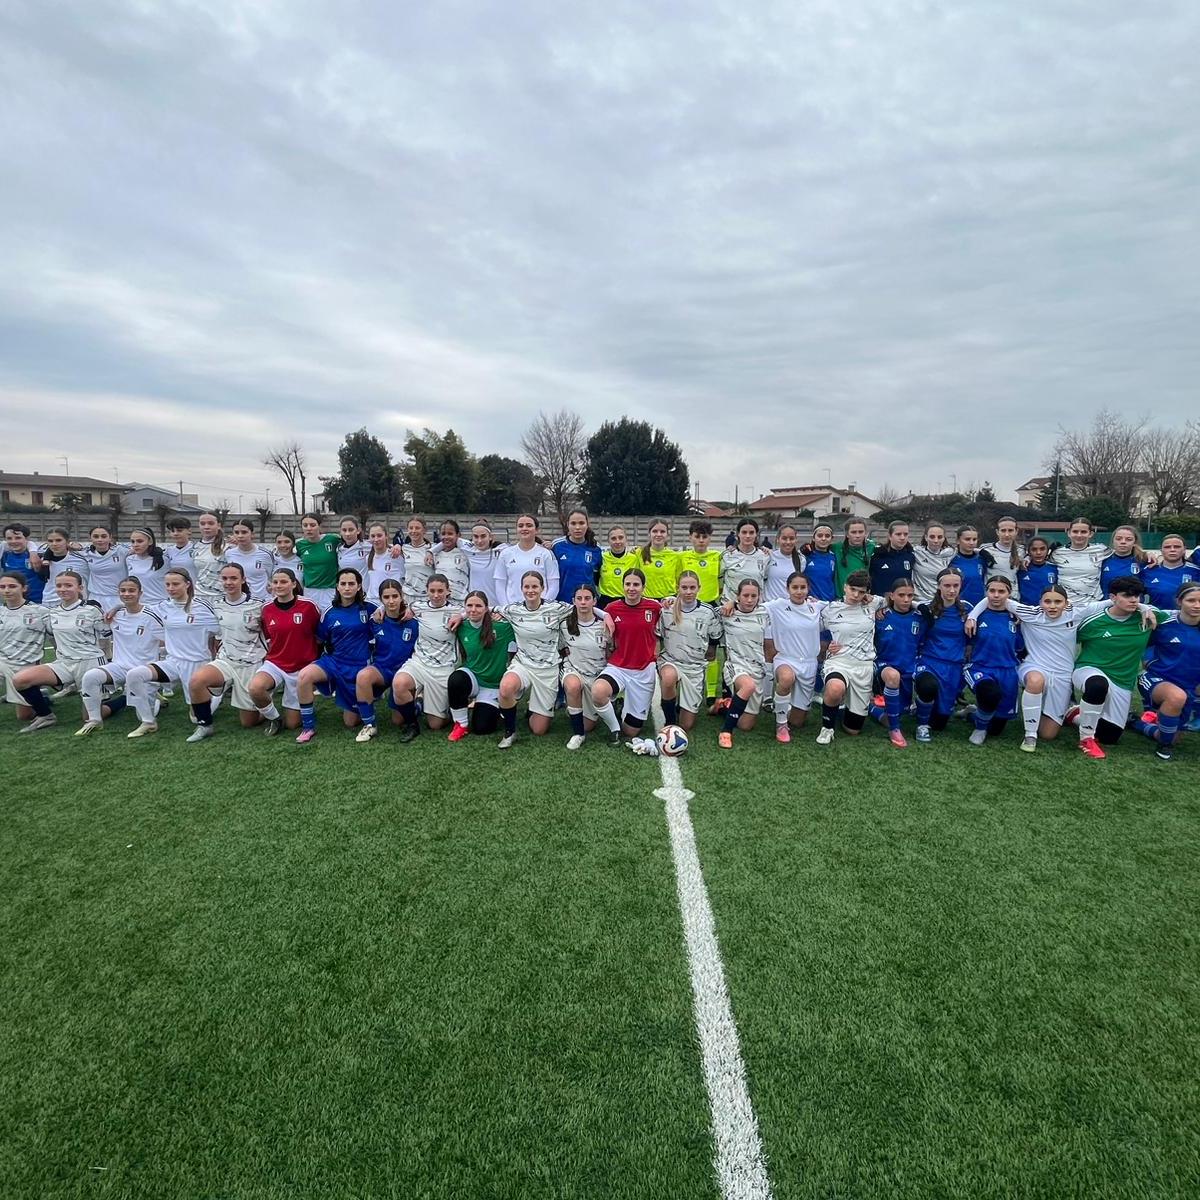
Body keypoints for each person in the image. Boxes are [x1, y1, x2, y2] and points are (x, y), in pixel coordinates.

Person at [965, 584, 1121, 752]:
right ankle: (1030, 735)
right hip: (1034, 666)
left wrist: (1140, 607)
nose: (1052, 606)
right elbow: (994, 598)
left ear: (1066, 603)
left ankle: (1067, 713)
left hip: (1062, 676)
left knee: (1048, 734)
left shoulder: (1076, 613)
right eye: (1047, 601)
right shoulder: (1030, 613)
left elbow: (1112, 601)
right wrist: (972, 616)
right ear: (1040, 602)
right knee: (1035, 681)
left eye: (1057, 602)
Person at [1066, 576, 1167, 759]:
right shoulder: (1094, 621)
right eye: (1127, 596)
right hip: (1090, 670)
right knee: (1098, 685)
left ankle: (1074, 713)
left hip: (1122, 680)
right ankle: (1086, 739)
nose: (1133, 600)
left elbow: (1179, 616)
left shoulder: (1147, 616)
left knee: (1109, 736)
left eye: (1137, 596)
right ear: (1112, 597)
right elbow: (1065, 639)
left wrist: (1146, 608)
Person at [123, 569, 220, 738]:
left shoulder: (202, 606)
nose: (170, 588)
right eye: (167, 584)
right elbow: (137, 609)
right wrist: (116, 608)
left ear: (187, 584)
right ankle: (148, 722)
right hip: (172, 662)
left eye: (175, 584)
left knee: (195, 718)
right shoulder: (162, 607)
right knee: (134, 675)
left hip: (196, 664)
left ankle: (216, 694)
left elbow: (220, 629)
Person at [12, 571, 106, 732]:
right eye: (59, 585)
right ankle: (46, 716)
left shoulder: (92, 610)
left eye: (68, 585)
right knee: (20, 679)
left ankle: (123, 700)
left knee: (89, 717)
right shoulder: (52, 612)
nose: (63, 589)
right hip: (63, 663)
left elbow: (106, 638)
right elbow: (48, 636)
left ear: (80, 588)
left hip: (89, 663)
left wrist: (107, 666)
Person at [185, 563, 268, 742]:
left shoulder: (258, 605)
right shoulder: (216, 605)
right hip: (226, 660)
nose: (228, 582)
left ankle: (264, 704)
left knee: (248, 722)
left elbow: (271, 634)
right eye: (224, 578)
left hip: (250, 664)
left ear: (243, 580)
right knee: (196, 681)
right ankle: (205, 725)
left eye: (233, 578)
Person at [294, 568, 378, 743]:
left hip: (358, 667)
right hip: (333, 662)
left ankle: (365, 698)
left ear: (359, 586)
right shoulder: (329, 612)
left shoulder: (370, 609)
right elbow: (320, 639)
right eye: (343, 584)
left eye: (351, 584)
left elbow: (390, 617)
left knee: (350, 722)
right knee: (304, 676)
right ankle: (308, 727)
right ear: (337, 587)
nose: (347, 588)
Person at [76, 576, 162, 735]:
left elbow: (168, 640)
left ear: (140, 593)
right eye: (123, 590)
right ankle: (95, 720)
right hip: (120, 667)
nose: (127, 593)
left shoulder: (151, 615)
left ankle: (155, 700)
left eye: (131, 590)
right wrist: (117, 607)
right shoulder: (116, 615)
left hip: (144, 671)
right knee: (90, 676)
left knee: (142, 715)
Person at [496, 571, 573, 745]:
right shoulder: (513, 609)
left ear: (542, 588)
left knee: (539, 729)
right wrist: (461, 616)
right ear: (521, 588)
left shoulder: (556, 608)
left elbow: (582, 607)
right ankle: (510, 732)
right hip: (523, 664)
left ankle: (533, 710)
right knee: (506, 687)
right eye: (527, 587)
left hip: (547, 669)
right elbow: (488, 608)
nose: (530, 590)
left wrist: (606, 616)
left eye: (535, 586)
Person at [815, 570, 887, 745]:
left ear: (867, 592)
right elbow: (809, 628)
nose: (856, 595)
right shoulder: (830, 609)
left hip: (863, 666)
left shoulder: (873, 604)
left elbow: (893, 599)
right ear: (845, 587)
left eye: (861, 592)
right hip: (839, 661)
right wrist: (825, 646)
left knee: (852, 730)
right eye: (852, 589)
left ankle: (857, 707)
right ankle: (827, 728)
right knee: (835, 688)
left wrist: (880, 604)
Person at [591, 567, 660, 744]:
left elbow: (673, 607)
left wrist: (670, 600)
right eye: (628, 584)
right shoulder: (612, 608)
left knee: (631, 732)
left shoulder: (654, 607)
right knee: (598, 692)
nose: (631, 588)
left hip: (643, 671)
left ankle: (620, 705)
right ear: (623, 586)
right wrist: (604, 614)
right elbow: (587, 608)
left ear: (643, 587)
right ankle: (614, 729)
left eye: (636, 584)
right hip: (618, 667)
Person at [390, 573, 463, 739]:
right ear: (427, 591)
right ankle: (412, 725)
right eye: (432, 591)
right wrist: (380, 610)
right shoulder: (417, 607)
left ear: (448, 591)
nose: (436, 595)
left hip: (443, 668)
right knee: (399, 683)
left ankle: (429, 705)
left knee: (435, 724)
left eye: (440, 591)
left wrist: (462, 616)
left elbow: (480, 610)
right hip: (419, 663)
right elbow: (396, 606)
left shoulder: (457, 610)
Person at [249, 568, 321, 734]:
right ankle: (274, 719)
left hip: (301, 667)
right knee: (255, 688)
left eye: (283, 582)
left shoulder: (308, 606)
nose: (279, 585)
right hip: (276, 663)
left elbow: (319, 634)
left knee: (293, 724)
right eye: (275, 582)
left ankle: (302, 702)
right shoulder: (266, 609)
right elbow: (268, 636)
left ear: (294, 584)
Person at [1133, 582, 1200, 761]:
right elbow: (1141, 643)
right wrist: (1147, 660)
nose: (1197, 605)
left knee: (1171, 735)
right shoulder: (1164, 622)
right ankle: (1164, 746)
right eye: (1191, 600)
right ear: (1179, 601)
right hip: (1156, 679)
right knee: (1176, 697)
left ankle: (1136, 723)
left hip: (1189, 686)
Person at [763, 572, 827, 742]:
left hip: (809, 663)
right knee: (786, 679)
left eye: (802, 587)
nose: (799, 591)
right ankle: (781, 725)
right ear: (788, 589)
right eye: (795, 587)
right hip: (786, 658)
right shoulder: (777, 606)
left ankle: (786, 706)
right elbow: (754, 605)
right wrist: (732, 603)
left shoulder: (816, 606)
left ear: (808, 588)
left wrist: (870, 600)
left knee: (797, 722)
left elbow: (841, 606)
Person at [353, 579, 419, 742]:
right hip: (382, 669)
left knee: (398, 720)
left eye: (395, 596)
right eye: (386, 597)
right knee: (363, 676)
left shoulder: (414, 621)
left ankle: (417, 703)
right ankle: (369, 725)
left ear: (402, 596)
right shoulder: (375, 620)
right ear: (381, 599)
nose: (391, 601)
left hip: (404, 672)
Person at [962, 577, 1022, 746]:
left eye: (1001, 591)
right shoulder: (975, 616)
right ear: (986, 592)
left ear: (1009, 593)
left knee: (996, 729)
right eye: (992, 591)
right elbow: (966, 642)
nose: (996, 595)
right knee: (990, 693)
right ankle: (979, 729)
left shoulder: (1017, 618)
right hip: (981, 667)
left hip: (1007, 671)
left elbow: (1021, 646)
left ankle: (972, 713)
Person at [445, 590, 513, 741]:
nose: (473, 610)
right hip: (473, 678)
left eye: (478, 606)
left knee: (482, 728)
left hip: (493, 685)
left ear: (486, 608)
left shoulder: (501, 627)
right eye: (469, 606)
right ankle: (461, 724)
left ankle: (498, 708)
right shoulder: (461, 627)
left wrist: (499, 613)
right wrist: (461, 616)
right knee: (456, 679)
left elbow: (519, 620)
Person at [657, 571, 719, 734]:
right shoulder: (667, 609)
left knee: (686, 725)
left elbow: (714, 638)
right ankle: (670, 721)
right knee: (669, 678)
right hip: (670, 660)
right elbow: (658, 636)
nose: (688, 591)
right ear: (677, 588)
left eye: (692, 587)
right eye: (684, 587)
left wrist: (707, 655)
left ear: (699, 588)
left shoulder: (708, 611)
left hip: (695, 667)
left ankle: (681, 705)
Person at [913, 568, 969, 743]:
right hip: (929, 662)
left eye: (955, 586)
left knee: (940, 722)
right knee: (928, 687)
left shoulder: (967, 609)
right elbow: (903, 604)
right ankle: (922, 725)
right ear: (939, 586)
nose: (951, 590)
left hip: (953, 666)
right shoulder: (928, 609)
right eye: (947, 586)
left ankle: (966, 712)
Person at [715, 578, 770, 748]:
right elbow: (702, 611)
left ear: (759, 597)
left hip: (757, 669)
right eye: (745, 595)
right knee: (748, 686)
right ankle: (726, 732)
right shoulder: (726, 612)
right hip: (735, 665)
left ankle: (724, 706)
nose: (749, 599)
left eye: (754, 596)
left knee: (745, 725)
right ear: (738, 596)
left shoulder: (766, 613)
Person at [870, 577, 921, 748]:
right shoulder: (880, 617)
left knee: (898, 713)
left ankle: (872, 709)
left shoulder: (920, 618)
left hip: (911, 666)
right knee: (893, 677)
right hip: (885, 665)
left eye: (910, 596)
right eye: (901, 595)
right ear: (891, 596)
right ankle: (895, 729)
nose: (906, 599)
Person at [561, 582, 613, 748]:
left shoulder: (604, 626)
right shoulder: (564, 624)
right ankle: (578, 734)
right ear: (573, 601)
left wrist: (605, 615)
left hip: (596, 676)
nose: (583, 602)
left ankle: (582, 707)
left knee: (589, 725)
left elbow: (611, 654)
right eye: (579, 598)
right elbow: (560, 649)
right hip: (573, 670)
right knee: (573, 685)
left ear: (594, 601)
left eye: (587, 598)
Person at [0, 571, 51, 724]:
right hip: (2, 662)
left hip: (25, 665)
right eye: (2, 587)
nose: (7, 590)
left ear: (24, 588)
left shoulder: (40, 612)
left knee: (24, 716)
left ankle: (40, 696)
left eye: (12, 586)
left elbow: (57, 636)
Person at [494, 514, 560, 604]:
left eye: (529, 525)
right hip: (513, 608)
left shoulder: (546, 554)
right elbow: (500, 585)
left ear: (536, 530)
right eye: (521, 526)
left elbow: (553, 585)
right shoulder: (505, 554)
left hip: (539, 609)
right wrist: (507, 607)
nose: (524, 528)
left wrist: (543, 606)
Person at [1049, 517, 1107, 605]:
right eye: (1075, 531)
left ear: (1090, 534)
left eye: (1083, 532)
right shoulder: (1057, 553)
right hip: (1065, 605)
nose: (1079, 535)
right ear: (1069, 533)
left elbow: (1122, 553)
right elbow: (1039, 560)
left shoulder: (1101, 550)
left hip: (1093, 604)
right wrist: (1028, 559)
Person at [553, 508, 603, 602]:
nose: (577, 527)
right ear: (567, 525)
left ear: (587, 525)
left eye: (581, 523)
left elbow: (598, 577)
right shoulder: (557, 546)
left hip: (586, 603)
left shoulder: (596, 548)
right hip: (563, 602)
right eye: (573, 523)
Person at [295, 513, 342, 612]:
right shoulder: (299, 545)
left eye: (312, 525)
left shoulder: (332, 539)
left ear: (319, 526)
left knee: (329, 618)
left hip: (330, 589)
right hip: (310, 591)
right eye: (305, 525)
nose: (309, 528)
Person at [81, 526, 130, 617]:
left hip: (118, 597)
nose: (100, 540)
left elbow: (143, 548)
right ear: (90, 538)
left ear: (110, 537)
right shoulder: (85, 553)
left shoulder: (121, 550)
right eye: (96, 536)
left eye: (104, 536)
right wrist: (71, 544)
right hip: (96, 597)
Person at [223, 520, 275, 602]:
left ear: (252, 534)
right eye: (236, 532)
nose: (240, 536)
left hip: (262, 601)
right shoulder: (229, 553)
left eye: (244, 532)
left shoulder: (265, 554)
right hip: (240, 602)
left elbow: (270, 575)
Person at [1141, 535, 1198, 609]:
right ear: (1161, 550)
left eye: (1177, 547)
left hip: (1187, 616)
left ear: (1184, 549)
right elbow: (1137, 596)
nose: (1172, 550)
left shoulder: (1196, 571)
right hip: (1157, 615)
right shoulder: (1147, 571)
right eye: (1167, 547)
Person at [40, 528, 90, 609]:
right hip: (49, 602)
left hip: (75, 604)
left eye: (58, 540)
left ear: (67, 541)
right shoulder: (42, 559)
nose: (54, 544)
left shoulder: (82, 558)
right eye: (50, 541)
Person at [720, 519, 768, 603]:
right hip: (729, 606)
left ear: (756, 534)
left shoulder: (765, 556)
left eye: (751, 533)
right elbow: (719, 581)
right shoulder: (727, 556)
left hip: (754, 607)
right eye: (744, 532)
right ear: (738, 534)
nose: (748, 536)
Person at [122, 528, 169, 609]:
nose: (135, 545)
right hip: (139, 606)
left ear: (150, 542)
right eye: (133, 541)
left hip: (160, 605)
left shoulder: (164, 560)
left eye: (140, 541)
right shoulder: (129, 559)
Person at [948, 525, 995, 606]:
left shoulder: (982, 558)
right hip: (959, 605)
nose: (971, 543)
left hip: (980, 605)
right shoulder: (951, 560)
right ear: (958, 541)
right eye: (967, 539)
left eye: (974, 539)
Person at [1099, 524, 1151, 596]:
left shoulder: (1144, 560)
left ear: (1135, 543)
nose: (1123, 542)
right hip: (1107, 602)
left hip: (1133, 602)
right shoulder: (1102, 560)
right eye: (1118, 539)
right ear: (1113, 541)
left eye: (1128, 539)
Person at [598, 525, 641, 609]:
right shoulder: (602, 557)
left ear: (626, 539)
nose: (617, 541)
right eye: (613, 538)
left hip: (627, 601)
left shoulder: (634, 558)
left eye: (621, 538)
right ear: (608, 541)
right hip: (605, 601)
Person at [910, 523, 954, 604]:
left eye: (939, 537)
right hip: (920, 602)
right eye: (932, 537)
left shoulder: (950, 553)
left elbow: (969, 551)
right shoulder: (917, 552)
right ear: (926, 537)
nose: (936, 540)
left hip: (940, 602)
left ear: (944, 538)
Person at [867, 522, 914, 596]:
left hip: (902, 600)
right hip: (880, 600)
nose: (902, 537)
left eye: (905, 534)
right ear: (889, 536)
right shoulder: (877, 555)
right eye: (898, 534)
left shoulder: (911, 555)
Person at [2, 523, 45, 603]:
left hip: (37, 601)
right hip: (13, 602)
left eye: (18, 538)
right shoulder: (4, 555)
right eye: (9, 538)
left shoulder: (38, 555)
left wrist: (33, 552)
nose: (13, 541)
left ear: (27, 538)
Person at [463, 521, 504, 605]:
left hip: (495, 604)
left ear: (491, 537)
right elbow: (450, 539)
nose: (479, 540)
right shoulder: (468, 550)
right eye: (476, 536)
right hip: (475, 605)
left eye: (483, 536)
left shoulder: (501, 551)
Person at [638, 518, 679, 600]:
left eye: (662, 531)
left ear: (667, 534)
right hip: (647, 600)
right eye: (655, 531)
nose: (659, 534)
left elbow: (679, 580)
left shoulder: (675, 556)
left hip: (669, 600)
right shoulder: (639, 553)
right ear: (649, 533)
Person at [397, 515, 436, 602]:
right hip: (408, 596)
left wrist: (430, 552)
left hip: (427, 597)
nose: (413, 531)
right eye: (411, 528)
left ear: (424, 530)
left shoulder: (433, 548)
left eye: (417, 528)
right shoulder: (403, 548)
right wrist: (397, 545)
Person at [365, 522, 406, 602]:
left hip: (390, 601)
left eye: (379, 535)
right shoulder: (368, 558)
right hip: (372, 600)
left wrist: (399, 546)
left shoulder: (396, 555)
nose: (376, 539)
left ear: (386, 536)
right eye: (373, 536)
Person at [431, 519, 472, 601]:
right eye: (443, 534)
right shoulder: (435, 555)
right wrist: (430, 552)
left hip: (461, 601)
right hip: (441, 602)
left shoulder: (466, 553)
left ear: (458, 535)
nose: (446, 537)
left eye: (450, 534)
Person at [192, 512, 228, 605]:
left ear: (218, 525)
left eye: (211, 523)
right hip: (199, 596)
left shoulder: (228, 547)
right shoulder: (194, 547)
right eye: (202, 523)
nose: (206, 527)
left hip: (221, 597)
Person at [765, 525, 806, 602]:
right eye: (784, 538)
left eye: (791, 538)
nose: (788, 542)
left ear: (796, 540)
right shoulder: (769, 556)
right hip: (770, 605)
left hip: (790, 606)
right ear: (778, 539)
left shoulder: (801, 560)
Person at [833, 518, 875, 595]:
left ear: (866, 533)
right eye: (853, 532)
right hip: (841, 598)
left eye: (861, 532)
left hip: (861, 596)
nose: (857, 536)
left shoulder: (872, 547)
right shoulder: (837, 548)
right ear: (847, 534)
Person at [979, 517, 1023, 587]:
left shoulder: (1021, 550)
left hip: (1013, 593)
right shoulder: (985, 549)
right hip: (992, 592)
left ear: (1016, 531)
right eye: (1003, 530)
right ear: (997, 532)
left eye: (1010, 530)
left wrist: (1028, 558)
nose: (1007, 534)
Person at [800, 523, 838, 602]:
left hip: (829, 602)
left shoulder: (834, 556)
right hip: (811, 602)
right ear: (813, 538)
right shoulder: (804, 555)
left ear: (832, 538)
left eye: (827, 536)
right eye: (820, 536)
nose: (823, 539)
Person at [1016, 537, 1058, 605]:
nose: (1038, 552)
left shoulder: (1055, 569)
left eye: (1042, 549)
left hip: (1047, 608)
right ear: (1028, 551)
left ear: (1048, 551)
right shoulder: (1021, 568)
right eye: (1034, 549)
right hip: (1025, 608)